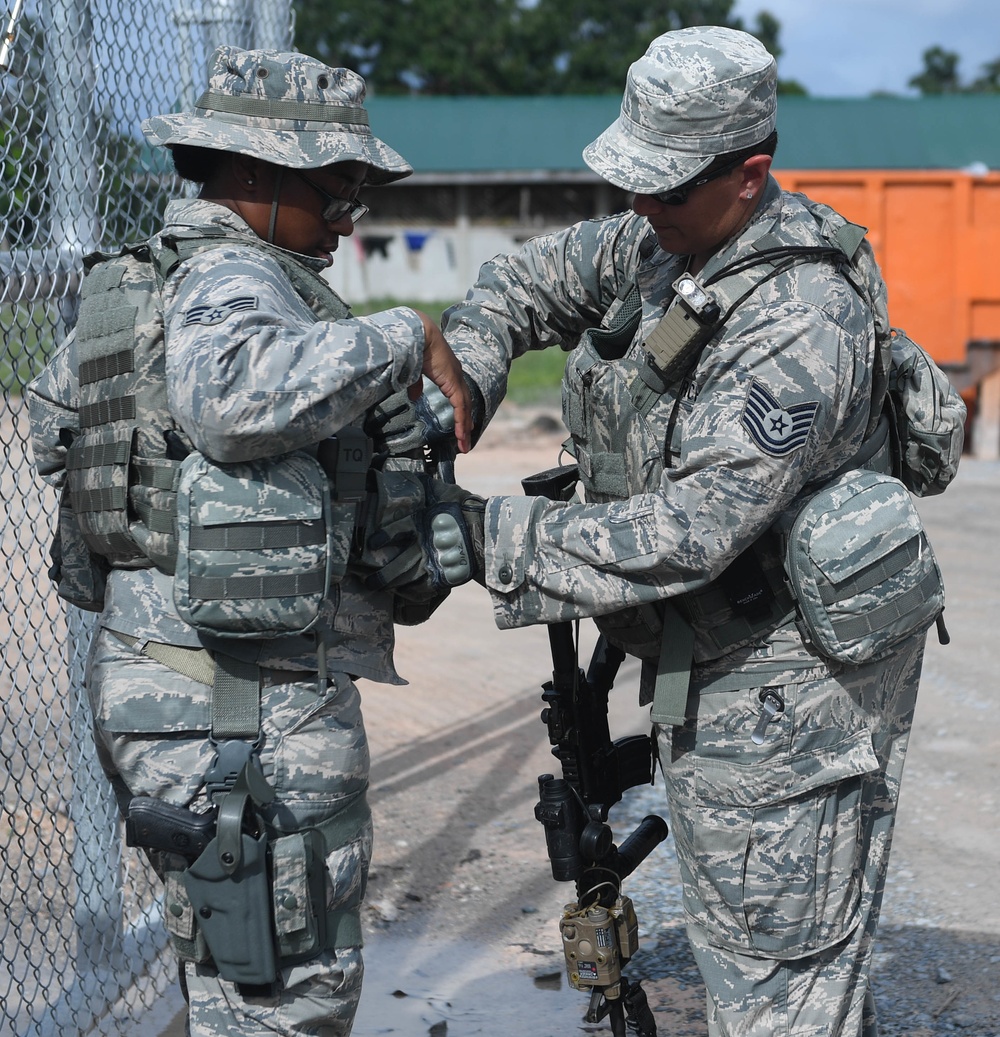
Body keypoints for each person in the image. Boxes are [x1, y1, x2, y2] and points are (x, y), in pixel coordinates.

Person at [365, 25, 949, 1037]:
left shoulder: (798, 315)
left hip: (787, 682)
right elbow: (524, 282)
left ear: (747, 174)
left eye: (662, 188)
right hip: (711, 650)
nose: (638, 204)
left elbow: (688, 531)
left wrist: (477, 532)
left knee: (780, 996)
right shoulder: (667, 240)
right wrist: (470, 368)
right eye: (631, 179)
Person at [26, 46, 470, 1037]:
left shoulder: (143, 280)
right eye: (339, 182)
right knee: (282, 1001)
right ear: (260, 174)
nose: (353, 208)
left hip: (167, 688)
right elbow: (229, 401)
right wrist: (401, 333)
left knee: (232, 976)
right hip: (245, 706)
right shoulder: (234, 274)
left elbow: (58, 425)